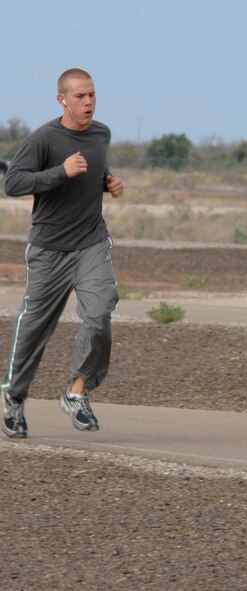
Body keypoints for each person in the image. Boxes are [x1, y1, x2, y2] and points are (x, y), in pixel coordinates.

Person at [2, 68, 124, 438]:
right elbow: (14, 182)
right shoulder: (44, 138)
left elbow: (92, 171)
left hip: (90, 244)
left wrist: (108, 183)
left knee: (100, 312)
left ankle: (78, 391)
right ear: (62, 100)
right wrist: (60, 172)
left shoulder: (101, 134)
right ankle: (15, 399)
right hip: (49, 250)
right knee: (34, 328)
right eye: (80, 97)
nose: (88, 103)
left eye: (92, 95)